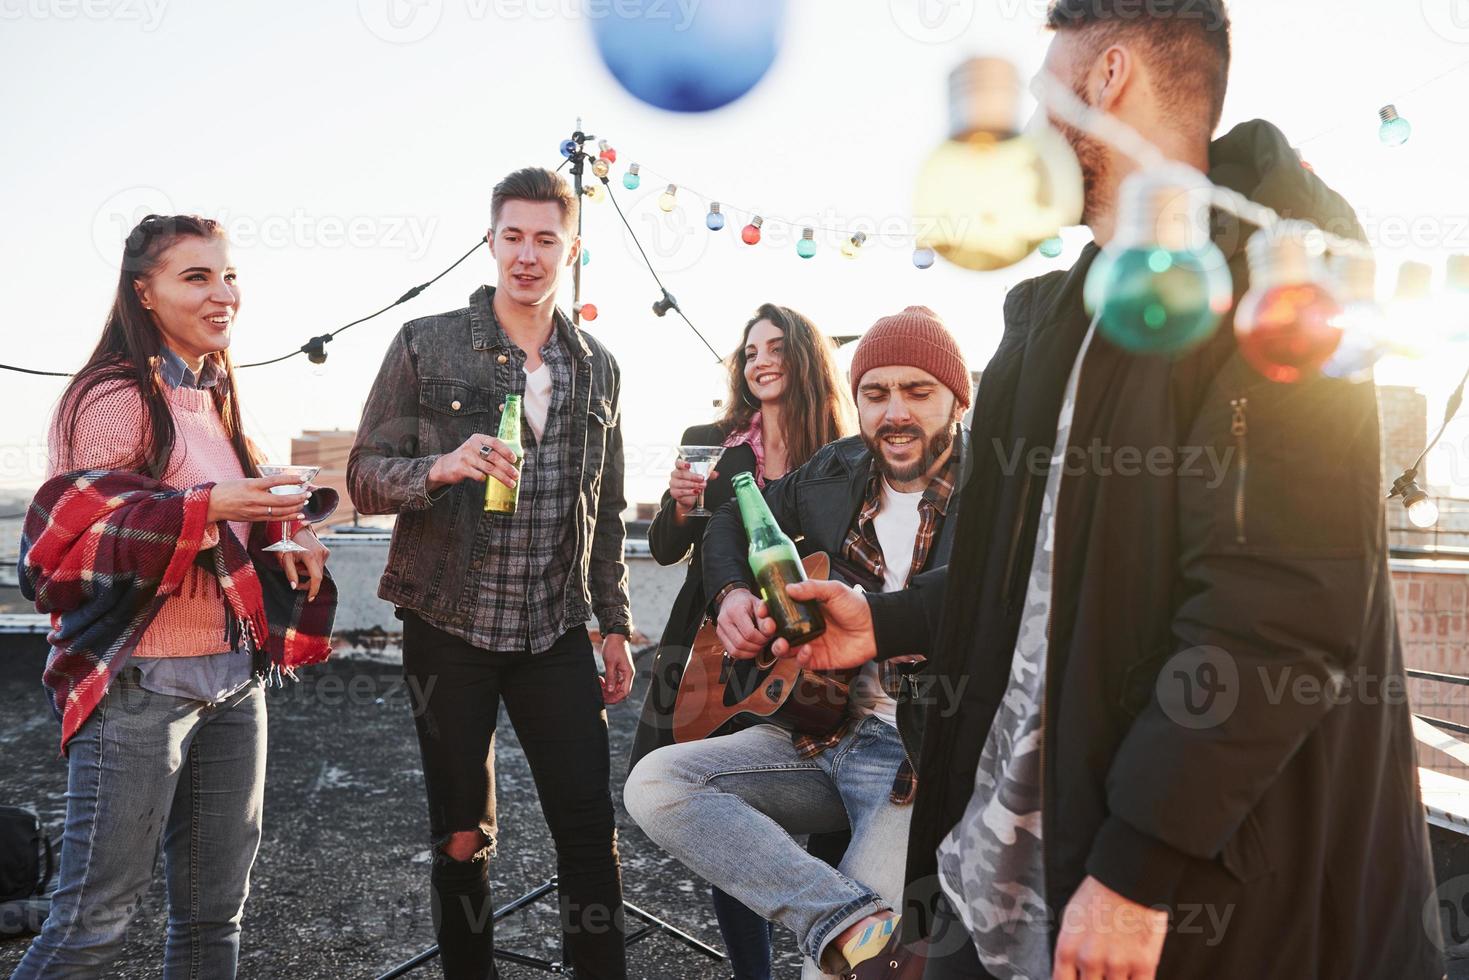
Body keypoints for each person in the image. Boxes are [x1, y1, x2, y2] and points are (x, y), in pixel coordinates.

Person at [765, 3, 1444, 978]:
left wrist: (1140, 867)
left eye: (1047, 87)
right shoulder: (1054, 316)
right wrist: (879, 616)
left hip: (1171, 900)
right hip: (991, 870)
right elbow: (1031, 581)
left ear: (1108, 75)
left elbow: (1279, 603)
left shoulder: (1282, 263)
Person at [12, 213, 336, 980]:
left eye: (228, 275)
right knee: (94, 922)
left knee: (213, 918)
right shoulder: (115, 397)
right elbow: (83, 544)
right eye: (196, 277)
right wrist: (213, 506)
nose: (223, 293)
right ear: (144, 294)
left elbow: (233, 512)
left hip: (232, 679)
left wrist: (295, 535)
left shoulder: (212, 393)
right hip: (140, 684)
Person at [625, 307, 973, 979]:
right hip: (821, 732)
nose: (894, 411)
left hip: (920, 757)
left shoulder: (1003, 486)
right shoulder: (836, 468)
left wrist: (882, 619)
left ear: (958, 398)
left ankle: (848, 942)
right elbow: (728, 519)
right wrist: (730, 595)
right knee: (657, 782)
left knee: (829, 974)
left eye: (918, 390)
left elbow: (1003, 592)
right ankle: (846, 920)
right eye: (875, 392)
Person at [347, 167, 634, 980]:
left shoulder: (598, 367)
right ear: (490, 241)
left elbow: (604, 510)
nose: (528, 256)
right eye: (513, 236)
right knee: (461, 834)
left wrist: (611, 623)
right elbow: (364, 475)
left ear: (570, 250)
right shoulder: (423, 343)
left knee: (587, 827)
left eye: (546, 239)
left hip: (554, 631)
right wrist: (437, 466)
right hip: (449, 628)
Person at [628, 302, 855, 979]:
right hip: (711, 644)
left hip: (811, 654)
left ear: (808, 360)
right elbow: (670, 549)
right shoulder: (711, 440)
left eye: (776, 347)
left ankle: (832, 951)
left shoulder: (844, 454)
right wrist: (677, 502)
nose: (760, 360)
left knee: (833, 810)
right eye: (750, 350)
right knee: (728, 817)